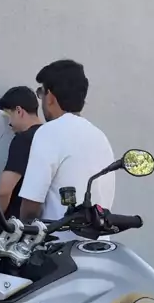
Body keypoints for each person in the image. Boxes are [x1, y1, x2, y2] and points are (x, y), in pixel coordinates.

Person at [19, 60, 115, 229]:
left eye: (41, 92)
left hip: (58, 242)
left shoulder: (49, 131)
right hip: (98, 241)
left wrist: (23, 230)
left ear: (50, 97)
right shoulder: (100, 137)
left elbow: (31, 205)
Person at [0, 86, 42, 218]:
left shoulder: (23, 140)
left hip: (17, 222)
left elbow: (4, 191)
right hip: (45, 220)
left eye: (8, 116)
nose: (9, 124)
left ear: (19, 111)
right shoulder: (50, 135)